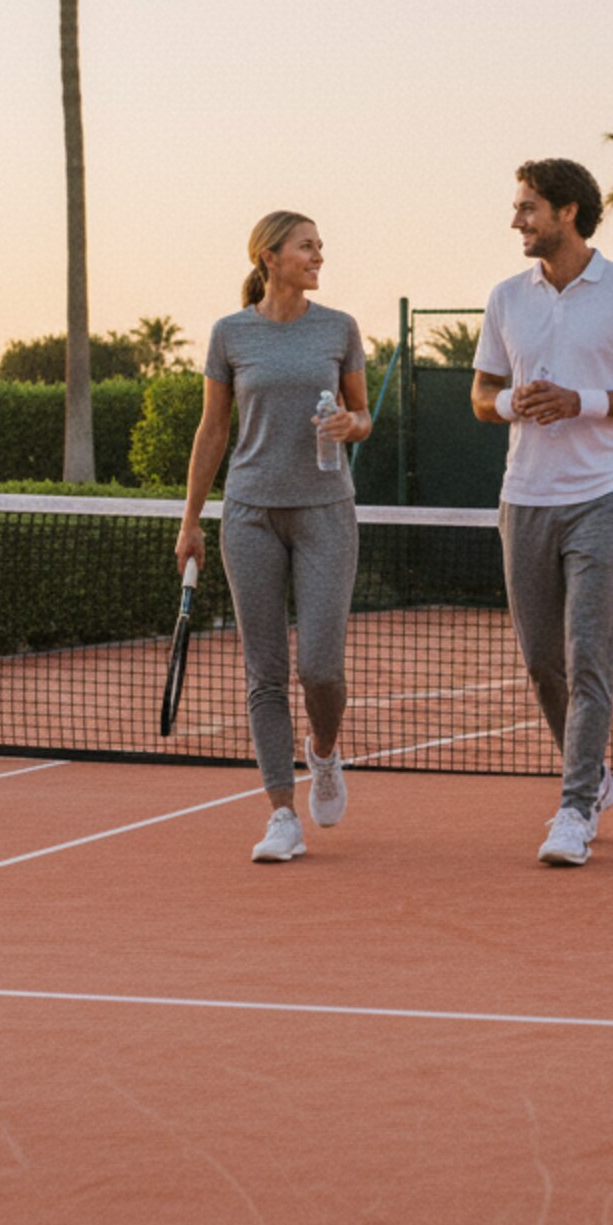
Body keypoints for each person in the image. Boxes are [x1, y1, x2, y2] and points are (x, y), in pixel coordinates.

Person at [470, 159, 613, 865]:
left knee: (589, 656)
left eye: (528, 208)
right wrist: (511, 405)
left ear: (566, 212)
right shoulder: (506, 297)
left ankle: (574, 807)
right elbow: (481, 395)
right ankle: (593, 776)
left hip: (604, 496)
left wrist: (580, 402)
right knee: (541, 664)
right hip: (523, 498)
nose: (516, 221)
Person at [178, 212, 371, 862]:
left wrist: (353, 424)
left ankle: (323, 753)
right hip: (249, 514)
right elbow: (212, 432)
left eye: (319, 245)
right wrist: (191, 522)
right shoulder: (230, 334)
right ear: (269, 256)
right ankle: (281, 816)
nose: (320, 254)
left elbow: (364, 414)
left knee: (319, 668)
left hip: (325, 513)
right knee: (264, 674)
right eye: (307, 245)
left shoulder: (339, 328)